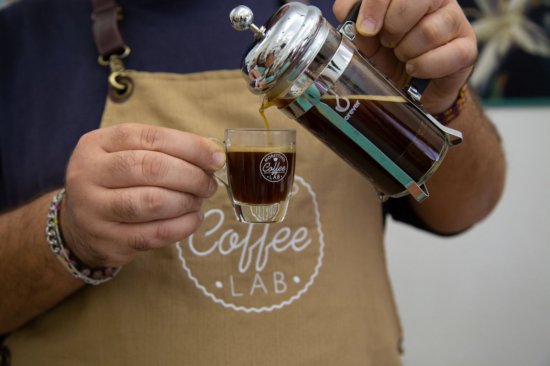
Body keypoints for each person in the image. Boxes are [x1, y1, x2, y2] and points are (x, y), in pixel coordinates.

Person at [0, 0, 505, 364]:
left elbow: (471, 206)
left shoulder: (362, 18)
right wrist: (67, 234)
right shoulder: (17, 41)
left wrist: (440, 101)